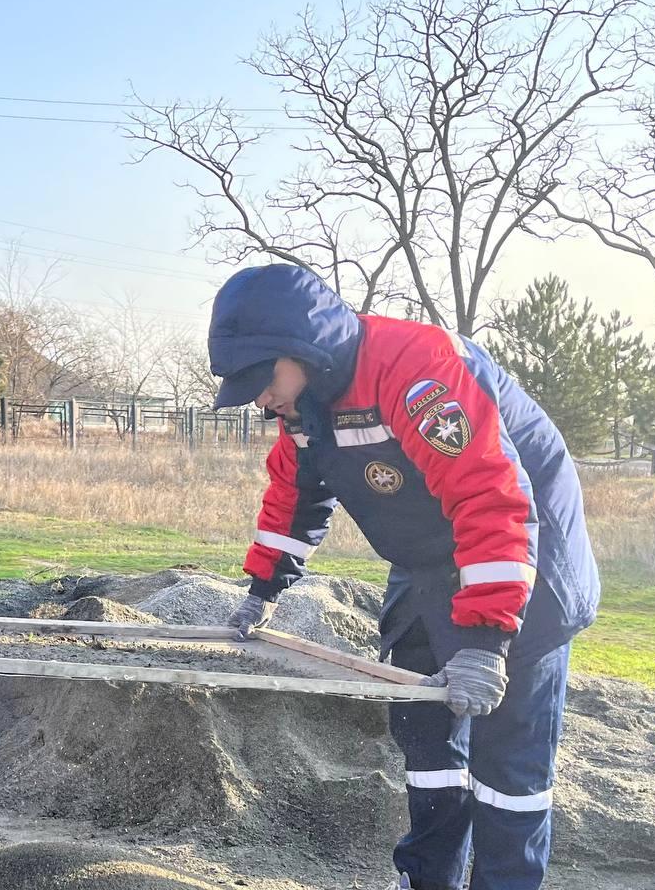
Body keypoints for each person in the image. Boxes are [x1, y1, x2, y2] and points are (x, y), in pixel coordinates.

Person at [210, 265, 598, 890]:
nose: (260, 399)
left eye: (263, 381)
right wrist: (262, 591)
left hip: (524, 554)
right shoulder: (303, 405)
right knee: (425, 732)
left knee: (507, 763)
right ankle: (427, 879)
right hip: (426, 560)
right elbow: (294, 494)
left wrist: (487, 641)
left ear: (302, 349)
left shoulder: (418, 371)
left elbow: (489, 498)